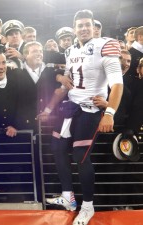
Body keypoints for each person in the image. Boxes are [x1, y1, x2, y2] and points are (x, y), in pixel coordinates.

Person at [39, 9, 123, 225]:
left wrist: (110, 113)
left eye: (88, 24)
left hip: (91, 110)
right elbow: (66, 84)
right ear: (74, 28)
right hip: (71, 107)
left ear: (94, 27)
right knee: (57, 148)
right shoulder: (70, 51)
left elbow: (117, 83)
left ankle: (88, 206)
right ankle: (68, 197)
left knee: (80, 156)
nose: (84, 28)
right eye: (80, 25)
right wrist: (48, 109)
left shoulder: (105, 46)